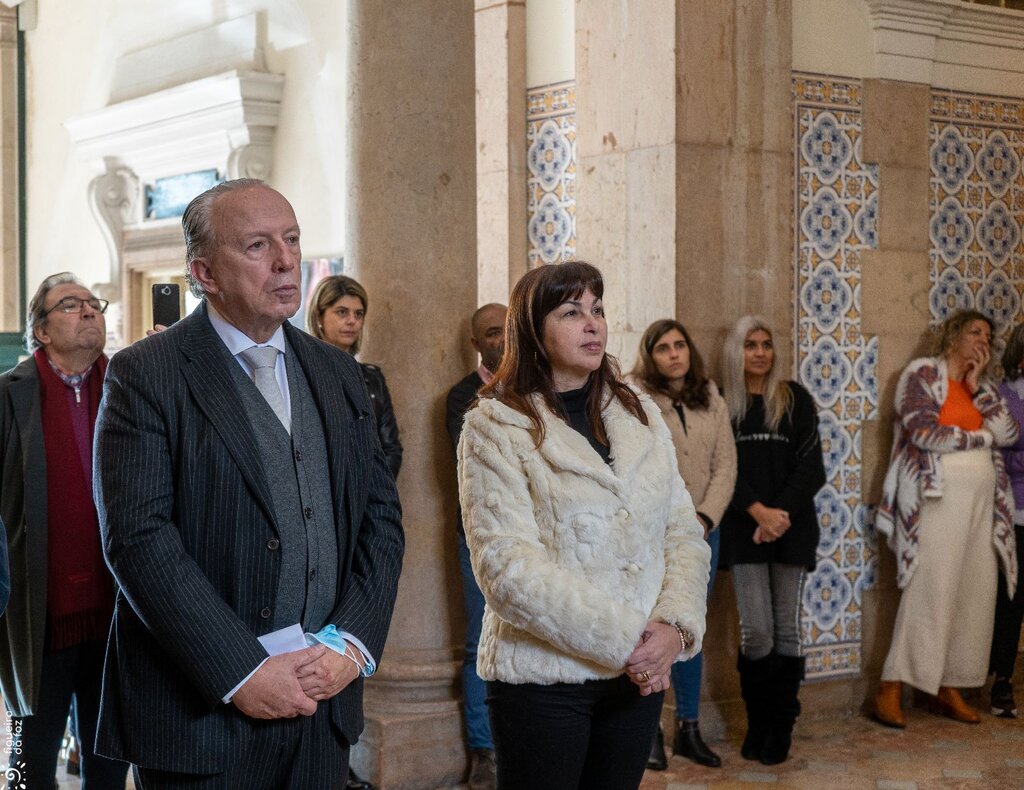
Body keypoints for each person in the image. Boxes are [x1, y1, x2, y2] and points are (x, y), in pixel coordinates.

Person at [93, 179, 405, 789]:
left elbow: (380, 519)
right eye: (259, 246)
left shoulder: (337, 372)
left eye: (292, 239)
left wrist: (351, 644)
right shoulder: (146, 374)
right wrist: (242, 672)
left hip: (321, 705)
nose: (287, 261)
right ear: (205, 272)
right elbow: (138, 539)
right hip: (201, 716)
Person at [457, 261, 711, 790]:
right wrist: (629, 641)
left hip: (635, 678)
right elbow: (506, 569)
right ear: (533, 330)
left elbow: (681, 532)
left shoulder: (639, 413)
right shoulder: (494, 425)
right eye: (572, 313)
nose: (592, 323)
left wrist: (674, 628)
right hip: (544, 679)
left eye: (598, 309)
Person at [0, 273, 128, 788]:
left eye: (93, 303)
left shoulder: (128, 384)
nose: (89, 311)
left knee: (109, 763)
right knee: (29, 764)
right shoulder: (9, 394)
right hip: (40, 614)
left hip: (120, 613)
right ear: (42, 331)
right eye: (71, 304)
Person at [874, 310, 1017, 728]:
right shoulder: (922, 374)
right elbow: (922, 431)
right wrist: (980, 438)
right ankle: (891, 683)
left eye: (988, 336)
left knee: (974, 590)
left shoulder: (982, 388)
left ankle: (945, 684)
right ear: (953, 335)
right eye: (975, 332)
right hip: (937, 498)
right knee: (931, 587)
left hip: (983, 501)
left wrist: (975, 388)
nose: (982, 341)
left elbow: (1008, 434)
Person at [719, 315, 825, 766]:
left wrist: (779, 515)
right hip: (744, 529)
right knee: (757, 630)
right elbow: (721, 468)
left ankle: (781, 727)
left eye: (766, 344)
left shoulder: (794, 398)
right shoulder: (723, 402)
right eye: (750, 345)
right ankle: (758, 722)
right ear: (736, 351)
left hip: (791, 527)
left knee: (787, 628)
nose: (760, 352)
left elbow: (812, 468)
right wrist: (758, 512)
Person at [630, 319, 736, 770]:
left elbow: (725, 466)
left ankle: (688, 727)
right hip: (653, 532)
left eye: (680, 345)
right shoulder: (635, 397)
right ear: (650, 356)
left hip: (703, 533)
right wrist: (669, 520)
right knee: (650, 629)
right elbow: (634, 466)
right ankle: (648, 732)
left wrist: (704, 518)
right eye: (663, 348)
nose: (674, 354)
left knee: (689, 626)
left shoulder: (710, 396)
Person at [444, 302, 507, 790]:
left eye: (508, 329)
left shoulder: (539, 387)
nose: (502, 339)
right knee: (478, 642)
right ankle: (483, 752)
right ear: (475, 343)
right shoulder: (462, 397)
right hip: (481, 537)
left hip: (536, 536)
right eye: (491, 332)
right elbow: (478, 465)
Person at [307, 275, 402, 478]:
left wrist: (372, 490)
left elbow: (390, 448)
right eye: (342, 312)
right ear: (319, 317)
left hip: (370, 490)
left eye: (358, 314)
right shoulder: (302, 372)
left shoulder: (372, 377)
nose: (352, 321)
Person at [992, 323, 1024, 719]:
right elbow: (999, 453)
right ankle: (1002, 680)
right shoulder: (1005, 396)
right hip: (1017, 509)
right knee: (1013, 599)